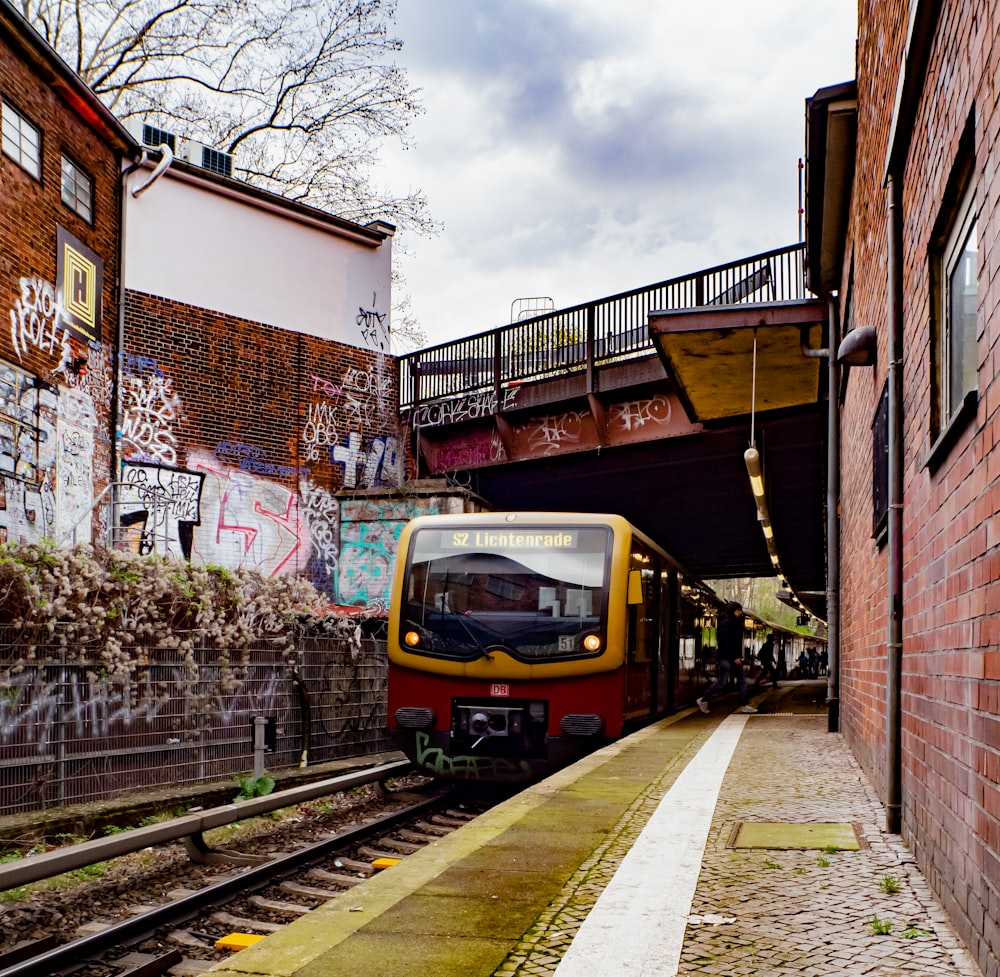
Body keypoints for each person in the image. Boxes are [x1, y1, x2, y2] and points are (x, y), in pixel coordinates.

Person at [697, 601, 757, 714]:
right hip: (726, 658)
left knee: (740, 681)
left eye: (740, 610)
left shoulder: (735, 623)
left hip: (733, 658)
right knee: (722, 683)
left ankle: (745, 704)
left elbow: (736, 643)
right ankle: (703, 699)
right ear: (732, 611)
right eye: (738, 610)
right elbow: (726, 643)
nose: (740, 613)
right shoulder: (726, 624)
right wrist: (735, 657)